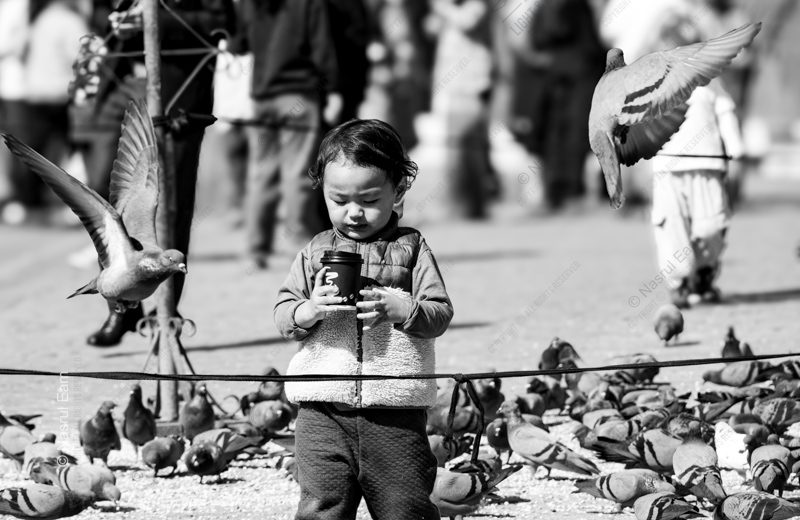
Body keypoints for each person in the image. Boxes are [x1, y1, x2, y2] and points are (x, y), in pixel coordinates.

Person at [274, 119, 453, 519]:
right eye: (339, 200)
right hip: (322, 412)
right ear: (321, 188)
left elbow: (439, 314)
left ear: (398, 191)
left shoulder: (412, 249)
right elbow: (284, 314)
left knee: (404, 507)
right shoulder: (315, 251)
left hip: (394, 415)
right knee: (322, 507)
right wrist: (309, 309)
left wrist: (403, 310)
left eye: (370, 200)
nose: (353, 213)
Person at [78, 0, 235, 346]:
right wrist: (115, 22)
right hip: (118, 86)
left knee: (169, 210)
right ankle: (123, 305)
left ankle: (167, 314)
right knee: (107, 193)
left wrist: (152, 21)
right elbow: (101, 17)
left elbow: (220, 21)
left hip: (175, 96)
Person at [230, 0, 341, 270]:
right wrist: (334, 88)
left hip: (261, 97)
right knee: (297, 173)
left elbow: (237, 45)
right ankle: (298, 245)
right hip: (299, 94)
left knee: (260, 174)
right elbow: (321, 46)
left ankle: (254, 251)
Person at [650, 21, 744, 309]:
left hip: (708, 163)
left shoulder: (710, 82)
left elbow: (725, 111)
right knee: (672, 228)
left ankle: (704, 273)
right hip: (667, 167)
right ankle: (679, 282)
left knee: (712, 224)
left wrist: (736, 150)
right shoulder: (651, 85)